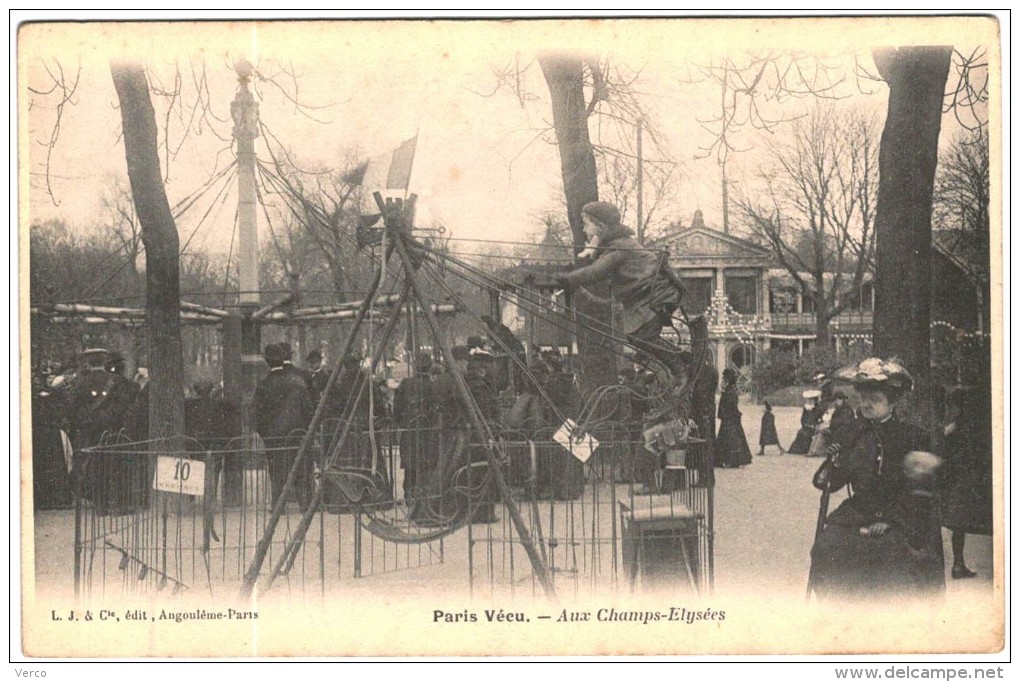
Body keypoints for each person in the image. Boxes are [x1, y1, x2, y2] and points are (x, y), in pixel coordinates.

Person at [808, 358, 945, 602]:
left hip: (901, 514)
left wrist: (892, 520)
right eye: (863, 398)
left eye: (875, 399)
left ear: (892, 403)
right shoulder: (854, 433)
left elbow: (920, 491)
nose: (866, 404)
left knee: (888, 555)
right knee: (826, 547)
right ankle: (840, 613)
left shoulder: (912, 436)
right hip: (861, 510)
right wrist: (836, 461)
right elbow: (827, 483)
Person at [554, 201, 691, 396]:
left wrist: (566, 280)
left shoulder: (619, 248)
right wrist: (592, 248)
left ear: (600, 226)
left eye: (587, 224)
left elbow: (597, 271)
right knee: (639, 338)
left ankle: (681, 372)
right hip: (646, 294)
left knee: (643, 337)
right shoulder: (615, 241)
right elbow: (597, 252)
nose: (584, 229)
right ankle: (683, 358)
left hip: (655, 294)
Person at [939, 384, 992, 579]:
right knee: (959, 522)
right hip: (962, 478)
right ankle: (958, 565)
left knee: (959, 523)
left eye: (953, 405)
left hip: (960, 477)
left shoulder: (958, 426)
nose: (950, 410)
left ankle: (958, 564)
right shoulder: (964, 426)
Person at [254, 343, 314, 513]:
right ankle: (305, 505)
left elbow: (257, 413)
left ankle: (277, 505)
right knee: (299, 467)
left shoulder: (263, 385)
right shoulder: (297, 382)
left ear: (268, 363)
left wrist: (264, 433)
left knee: (276, 470)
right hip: (296, 433)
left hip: (273, 436)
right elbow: (308, 410)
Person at [393, 352, 437, 503]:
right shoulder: (431, 385)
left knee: (410, 463)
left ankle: (410, 493)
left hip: (410, 429)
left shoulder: (405, 383)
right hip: (427, 430)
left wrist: (402, 422)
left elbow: (396, 408)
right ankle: (422, 494)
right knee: (425, 462)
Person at [714, 368, 753, 468]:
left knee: (729, 439)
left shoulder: (729, 393)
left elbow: (729, 408)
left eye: (723, 380)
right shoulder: (730, 391)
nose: (721, 382)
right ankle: (732, 459)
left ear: (727, 381)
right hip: (730, 420)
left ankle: (731, 460)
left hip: (729, 420)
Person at [788, 390, 822, 455]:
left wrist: (813, 425)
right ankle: (796, 450)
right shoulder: (806, 408)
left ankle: (805, 449)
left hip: (814, 427)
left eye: (811, 400)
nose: (809, 401)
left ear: (815, 400)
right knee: (800, 432)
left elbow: (819, 418)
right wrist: (805, 424)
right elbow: (802, 419)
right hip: (806, 426)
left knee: (804, 433)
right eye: (809, 400)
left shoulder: (818, 408)